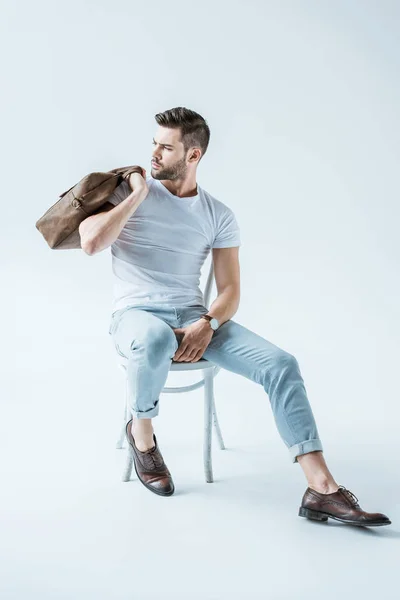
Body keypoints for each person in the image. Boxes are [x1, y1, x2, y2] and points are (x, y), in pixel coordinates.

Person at [79, 107, 391, 527]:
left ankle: (321, 489)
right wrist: (137, 194)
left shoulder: (217, 215)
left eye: (166, 147)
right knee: (153, 340)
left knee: (281, 365)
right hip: (136, 316)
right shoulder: (125, 192)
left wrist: (206, 324)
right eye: (154, 142)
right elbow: (91, 243)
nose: (153, 153)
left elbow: (230, 292)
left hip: (194, 318)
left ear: (193, 156)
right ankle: (143, 437)